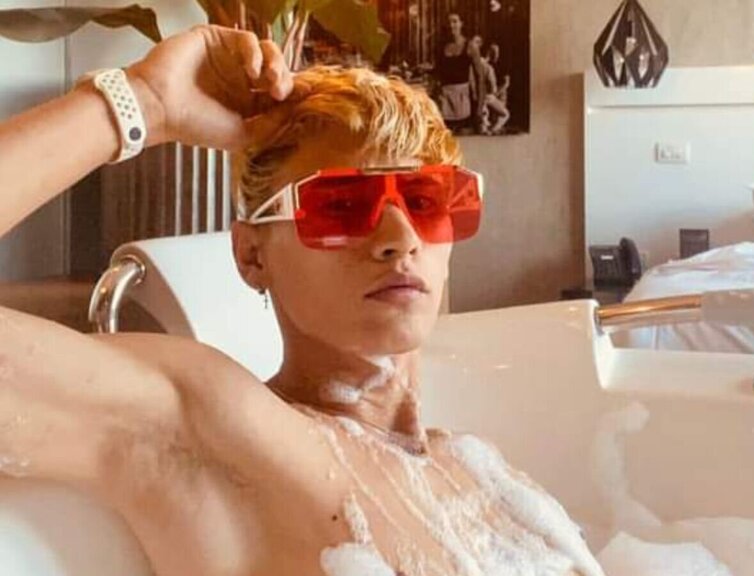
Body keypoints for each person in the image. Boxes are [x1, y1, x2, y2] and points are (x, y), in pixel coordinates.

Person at [0, 25, 604, 576]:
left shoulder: (480, 475)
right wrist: (144, 102)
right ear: (251, 255)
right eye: (340, 207)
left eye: (424, 201)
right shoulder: (226, 436)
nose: (400, 239)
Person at [436, 12, 474, 132]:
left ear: (461, 24)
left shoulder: (470, 46)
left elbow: (480, 76)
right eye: (449, 22)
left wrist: (479, 106)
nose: (451, 25)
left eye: (455, 21)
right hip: (445, 98)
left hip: (462, 99)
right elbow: (438, 72)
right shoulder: (441, 46)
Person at [468, 36, 511, 135]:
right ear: (489, 53)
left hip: (477, 98)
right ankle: (492, 130)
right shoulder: (488, 68)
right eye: (494, 52)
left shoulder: (472, 65)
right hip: (487, 96)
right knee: (505, 114)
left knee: (482, 127)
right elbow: (493, 88)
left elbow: (471, 83)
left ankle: (487, 128)